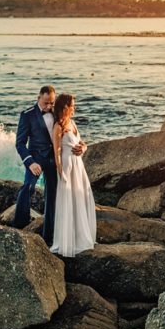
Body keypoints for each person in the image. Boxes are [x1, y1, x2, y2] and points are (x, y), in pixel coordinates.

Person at [13, 85, 85, 245]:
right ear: (38, 98)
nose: (49, 106)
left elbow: (71, 133)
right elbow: (19, 144)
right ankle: (18, 226)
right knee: (28, 187)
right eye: (46, 103)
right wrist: (30, 162)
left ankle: (49, 236)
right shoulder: (27, 115)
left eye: (52, 103)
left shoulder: (58, 114)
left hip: (54, 159)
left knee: (52, 195)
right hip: (36, 159)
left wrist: (82, 146)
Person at [50, 93, 96, 257]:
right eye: (72, 105)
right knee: (69, 200)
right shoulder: (58, 127)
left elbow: (81, 143)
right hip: (67, 165)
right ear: (65, 107)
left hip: (78, 165)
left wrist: (83, 148)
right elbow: (57, 152)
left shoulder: (73, 123)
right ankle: (68, 241)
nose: (74, 108)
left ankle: (80, 236)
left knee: (80, 198)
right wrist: (61, 172)